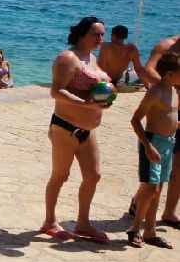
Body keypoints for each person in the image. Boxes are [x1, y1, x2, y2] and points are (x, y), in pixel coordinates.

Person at [41, 17, 112, 243]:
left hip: (88, 130)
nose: (101, 38)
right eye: (96, 34)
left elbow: (94, 89)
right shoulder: (68, 58)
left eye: (102, 34)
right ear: (82, 34)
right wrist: (86, 104)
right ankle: (49, 221)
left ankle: (83, 223)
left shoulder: (92, 58)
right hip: (65, 127)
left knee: (93, 175)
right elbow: (56, 91)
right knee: (60, 176)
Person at [127, 52, 179, 248]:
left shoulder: (174, 90)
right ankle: (134, 228)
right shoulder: (155, 91)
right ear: (170, 73)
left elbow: (170, 117)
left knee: (158, 189)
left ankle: (150, 232)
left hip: (169, 143)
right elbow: (135, 119)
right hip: (153, 142)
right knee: (151, 189)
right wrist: (148, 146)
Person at [140, 34, 180, 228]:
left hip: (175, 119)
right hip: (165, 112)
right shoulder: (167, 45)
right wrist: (171, 87)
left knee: (177, 167)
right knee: (154, 180)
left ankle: (170, 212)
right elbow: (148, 70)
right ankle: (141, 215)